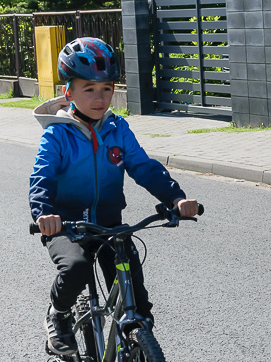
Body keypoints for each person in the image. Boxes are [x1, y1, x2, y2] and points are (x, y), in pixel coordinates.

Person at [30, 37, 199, 359]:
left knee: (135, 289)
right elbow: (42, 177)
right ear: (69, 93)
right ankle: (58, 315)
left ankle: (139, 336)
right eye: (89, 89)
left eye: (106, 88)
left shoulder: (118, 128)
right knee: (76, 266)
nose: (99, 97)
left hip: (109, 223)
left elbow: (144, 168)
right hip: (66, 225)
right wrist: (44, 213)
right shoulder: (57, 134)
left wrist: (176, 198)